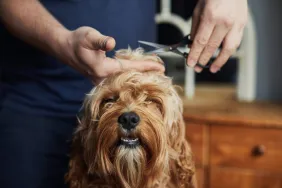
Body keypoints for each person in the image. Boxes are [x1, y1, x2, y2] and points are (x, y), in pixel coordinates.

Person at [0, 0, 248, 187]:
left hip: (137, 70)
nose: (129, 113)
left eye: (150, 101)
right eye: (111, 101)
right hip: (35, 100)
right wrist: (62, 41)